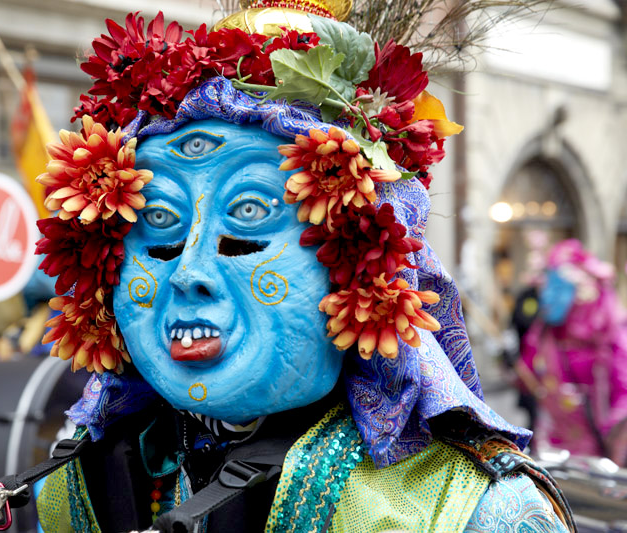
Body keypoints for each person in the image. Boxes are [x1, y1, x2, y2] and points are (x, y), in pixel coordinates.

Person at [31, 1, 575, 531]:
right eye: (158, 227)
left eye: (246, 217)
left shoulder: (473, 512)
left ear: (363, 265)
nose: (187, 272)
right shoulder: (87, 487)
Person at [519, 239, 627, 464]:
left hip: (600, 441)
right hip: (554, 440)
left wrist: (616, 429)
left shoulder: (608, 327)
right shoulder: (547, 328)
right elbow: (528, 371)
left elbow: (621, 382)